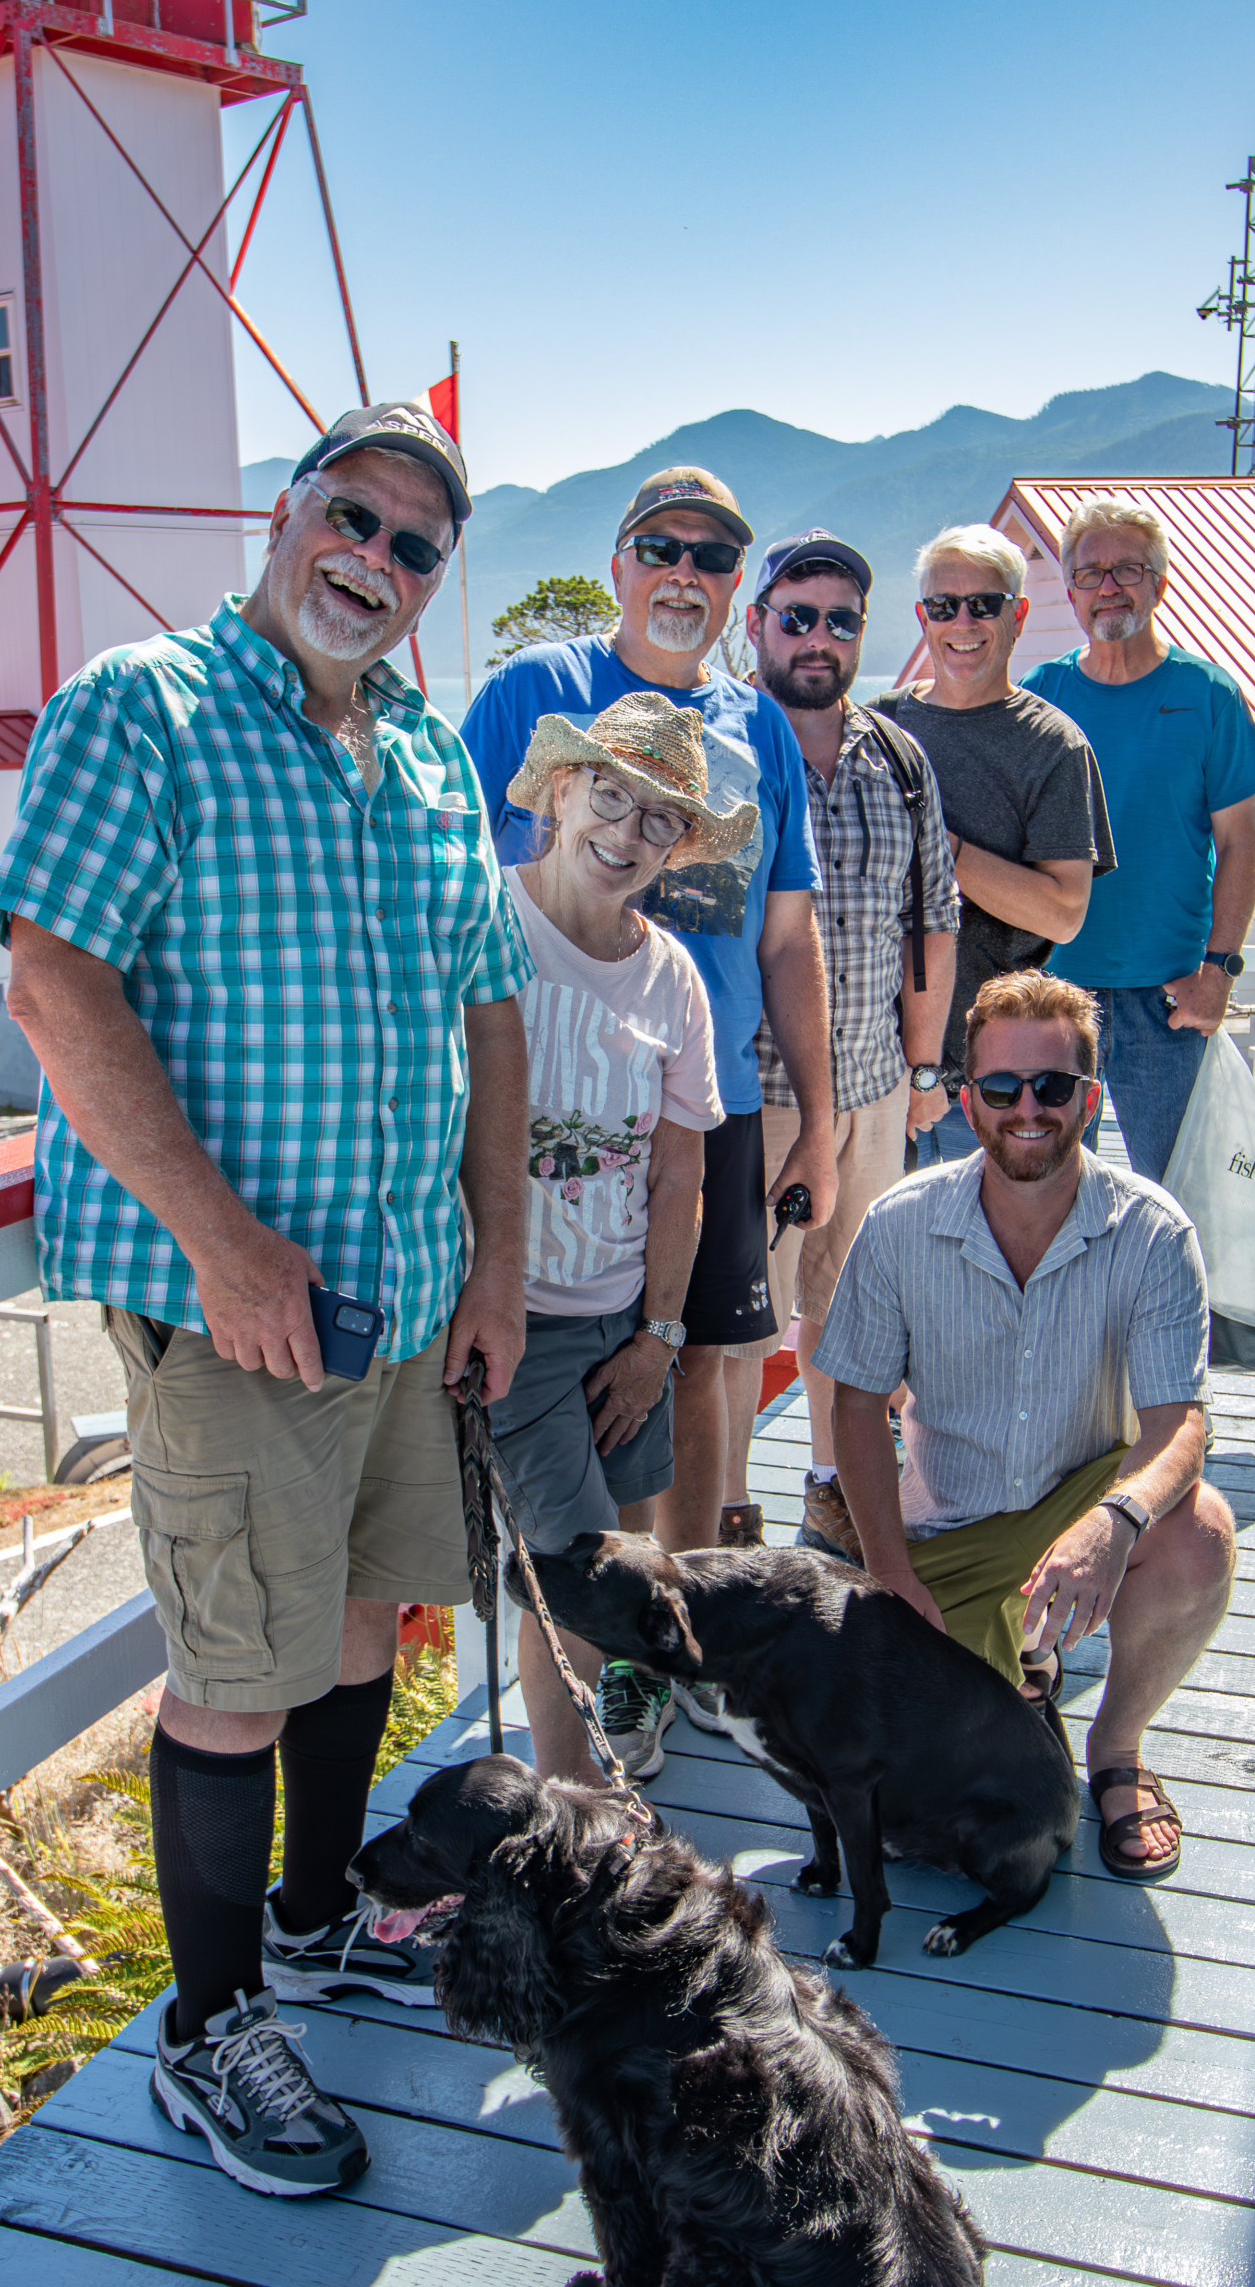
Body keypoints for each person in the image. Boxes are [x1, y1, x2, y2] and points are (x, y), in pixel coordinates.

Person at [0, 402, 533, 2199]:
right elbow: (57, 974)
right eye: (353, 519)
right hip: (235, 1315)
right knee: (233, 1675)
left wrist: (496, 1261)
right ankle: (207, 2029)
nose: (374, 562)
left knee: (369, 1620)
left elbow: (487, 1017)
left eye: (414, 550)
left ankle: (313, 1920)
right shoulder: (141, 711)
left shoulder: (432, 761)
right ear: (286, 513)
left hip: (410, 1294)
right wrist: (222, 1241)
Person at [460, 467, 835, 1754]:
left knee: (695, 1381)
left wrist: (820, 1118)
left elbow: (791, 938)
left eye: (716, 555)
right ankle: (602, 1702)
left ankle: (668, 1663)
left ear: (739, 585)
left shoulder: (761, 725)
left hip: (695, 1100)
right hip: (532, 1115)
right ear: (620, 560)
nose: (687, 571)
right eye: (661, 547)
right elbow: (442, 897)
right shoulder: (526, 692)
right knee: (574, 1509)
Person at [813, 967, 1237, 1884]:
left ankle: (1117, 1752)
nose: (1028, 1109)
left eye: (1053, 1087)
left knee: (1199, 1534)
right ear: (968, 1101)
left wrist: (1116, 1524)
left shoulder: (1154, 1231)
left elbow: (1181, 1423)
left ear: (1090, 1097)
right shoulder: (899, 1223)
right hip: (944, 1536)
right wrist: (888, 1576)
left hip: (1087, 1493)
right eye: (1002, 1089)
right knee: (896, 1809)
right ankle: (1019, 1662)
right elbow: (853, 1404)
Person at [491, 695, 743, 1784]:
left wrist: (659, 1334)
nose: (626, 832)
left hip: (623, 1318)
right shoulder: (486, 926)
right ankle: (573, 1815)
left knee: (627, 1551)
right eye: (609, 795)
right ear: (559, 790)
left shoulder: (672, 974)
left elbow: (681, 1166)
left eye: (658, 818)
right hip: (513, 1314)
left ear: (679, 846)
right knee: (576, 1579)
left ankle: (602, 1764)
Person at [725, 530, 960, 1565]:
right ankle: (726, 1520)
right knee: (737, 1331)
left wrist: (922, 1073)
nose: (819, 638)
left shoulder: (900, 761)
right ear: (757, 625)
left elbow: (933, 921)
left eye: (841, 621)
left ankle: (831, 1491)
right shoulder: (726, 746)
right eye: (798, 616)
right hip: (756, 1096)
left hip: (870, 1094)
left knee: (849, 1315)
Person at [1022, 494, 1255, 1183]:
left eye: (1127, 569)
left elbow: (1242, 845)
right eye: (1089, 573)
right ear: (1070, 592)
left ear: (1160, 583)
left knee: (1178, 1197)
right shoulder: (1042, 696)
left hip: (1169, 999)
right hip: (1057, 996)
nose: (1108, 587)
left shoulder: (1208, 696)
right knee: (1053, 1191)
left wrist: (1218, 972)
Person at [871, 523, 1113, 1168]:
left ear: (1019, 614)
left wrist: (939, 842)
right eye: (943, 606)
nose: (963, 622)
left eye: (984, 603)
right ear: (923, 616)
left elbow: (1063, 911)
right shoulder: (876, 727)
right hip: (870, 1069)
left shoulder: (1054, 746)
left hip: (995, 1084)